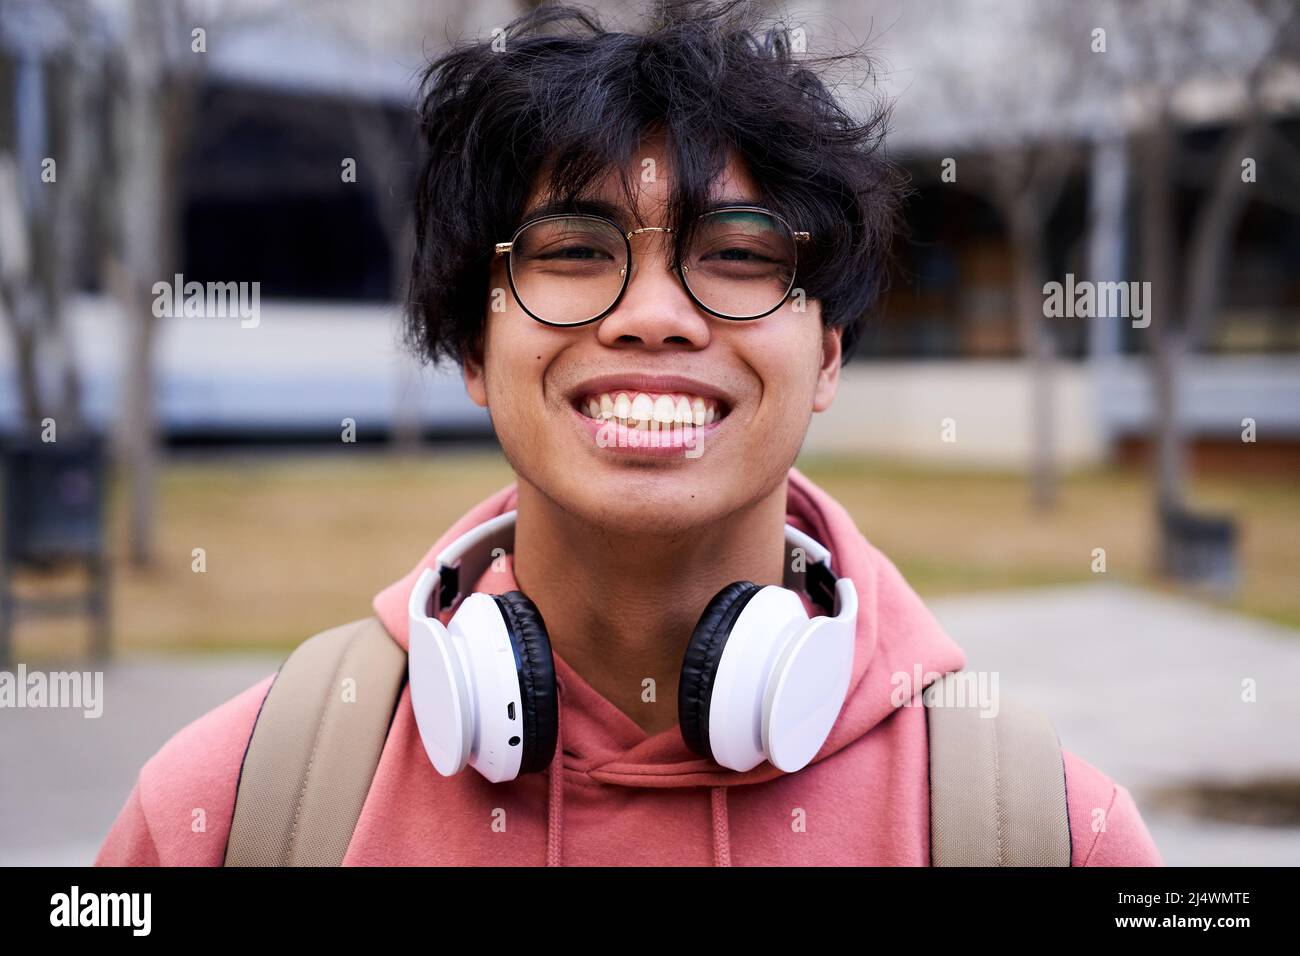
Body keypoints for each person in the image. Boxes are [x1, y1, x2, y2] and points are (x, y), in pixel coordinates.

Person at [95, 0, 1163, 867]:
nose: (652, 313)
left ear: (828, 353)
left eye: (739, 256)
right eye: (571, 249)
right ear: (472, 345)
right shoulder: (241, 805)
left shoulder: (1034, 828)